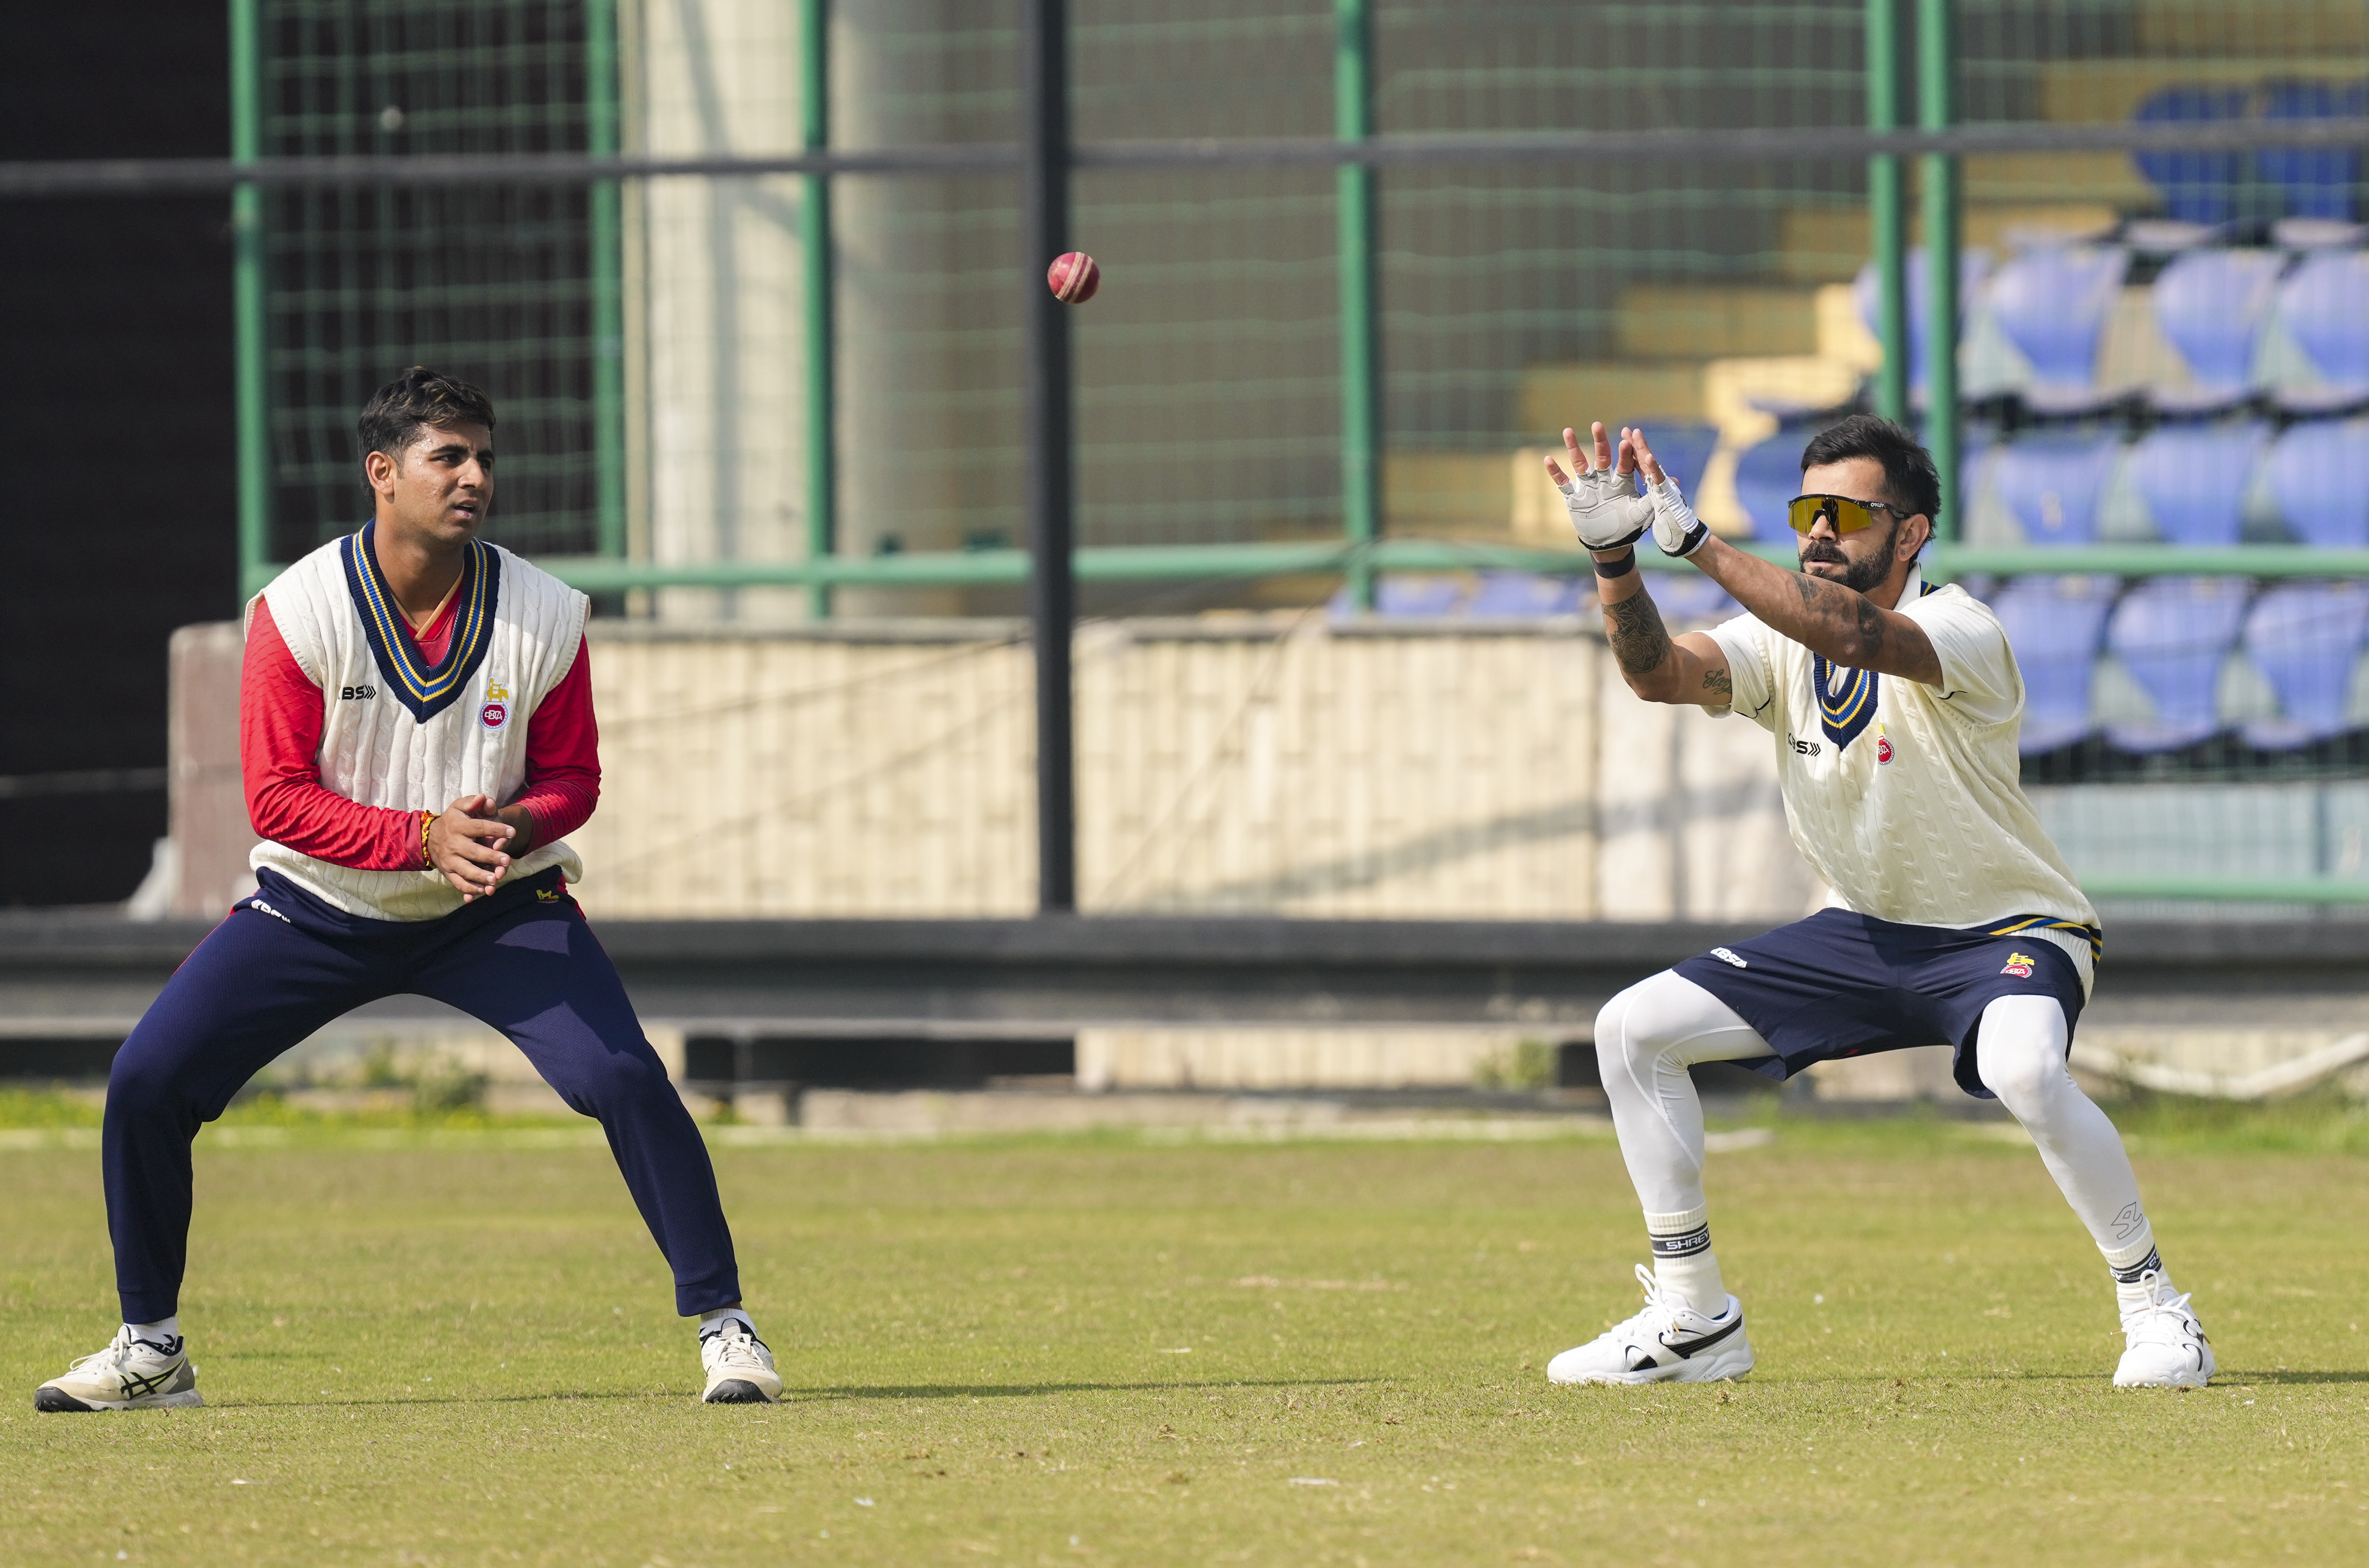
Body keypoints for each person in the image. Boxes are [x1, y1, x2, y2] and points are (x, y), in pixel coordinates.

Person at [36, 368, 780, 1412]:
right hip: (317, 908)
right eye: (449, 456)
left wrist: (507, 830)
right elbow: (278, 801)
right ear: (382, 473)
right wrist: (423, 836)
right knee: (147, 1077)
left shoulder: (545, 611)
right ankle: (151, 1347)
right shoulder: (294, 612)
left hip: (497, 907)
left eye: (484, 457)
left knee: (622, 1075)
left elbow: (576, 778)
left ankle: (727, 1326)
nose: (474, 476)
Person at [1540, 414, 2210, 1390]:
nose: (1819, 529)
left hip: (2011, 931)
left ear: (1912, 533)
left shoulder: (1961, 627)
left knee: (2025, 1066)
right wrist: (1615, 562)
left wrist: (1696, 543)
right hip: (1863, 934)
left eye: (1848, 512)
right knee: (1631, 1028)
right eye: (1807, 508)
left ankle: (2156, 1309)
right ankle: (1694, 1319)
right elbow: (1658, 674)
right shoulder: (1775, 643)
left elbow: (1854, 630)